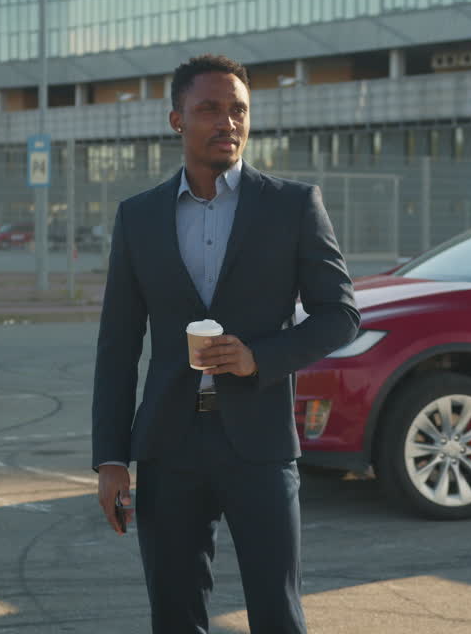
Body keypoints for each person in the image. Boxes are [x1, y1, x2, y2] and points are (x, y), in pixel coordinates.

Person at [92, 53, 359, 634]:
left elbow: (340, 315)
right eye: (209, 109)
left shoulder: (293, 205)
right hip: (167, 445)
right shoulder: (138, 218)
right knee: (174, 615)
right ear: (177, 119)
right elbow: (117, 345)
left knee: (277, 614)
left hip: (260, 443)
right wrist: (111, 458)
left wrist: (259, 356)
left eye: (238, 109)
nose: (228, 122)